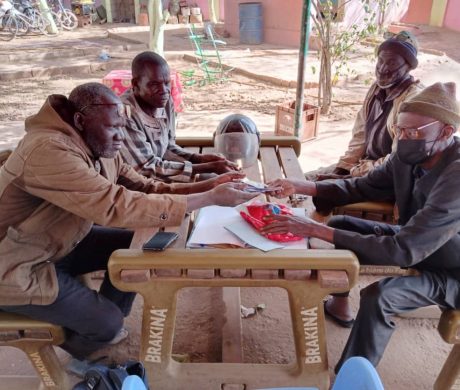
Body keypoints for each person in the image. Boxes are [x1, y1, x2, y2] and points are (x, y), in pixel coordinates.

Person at [0, 83, 257, 375]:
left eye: (123, 127)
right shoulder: (48, 150)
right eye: (114, 129)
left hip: (55, 244)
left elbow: (145, 186)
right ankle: (85, 351)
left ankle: (95, 319)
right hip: (16, 265)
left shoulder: (97, 140)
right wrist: (207, 199)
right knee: (107, 324)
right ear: (80, 121)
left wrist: (210, 185)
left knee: (139, 250)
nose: (120, 137)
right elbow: (115, 205)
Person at [263, 82, 460, 372]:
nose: (404, 139)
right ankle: (339, 304)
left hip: (453, 269)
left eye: (413, 133)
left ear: (446, 131)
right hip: (421, 242)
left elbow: (403, 251)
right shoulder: (410, 155)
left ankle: (349, 381)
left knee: (380, 297)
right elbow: (362, 186)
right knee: (341, 223)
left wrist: (313, 229)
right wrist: (301, 185)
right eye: (400, 131)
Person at [306, 30, 422, 181]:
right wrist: (342, 169)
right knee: (302, 179)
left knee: (309, 192)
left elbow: (396, 160)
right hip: (363, 167)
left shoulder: (412, 100)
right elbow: (360, 135)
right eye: (380, 61)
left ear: (408, 67)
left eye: (392, 63)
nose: (382, 69)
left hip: (384, 178)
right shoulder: (377, 89)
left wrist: (350, 176)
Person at [121, 51, 238, 183]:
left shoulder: (164, 101)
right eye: (154, 84)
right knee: (216, 185)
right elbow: (146, 168)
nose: (164, 90)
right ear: (135, 84)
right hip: (134, 186)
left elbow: (167, 148)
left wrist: (198, 159)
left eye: (167, 83)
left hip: (157, 178)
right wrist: (207, 167)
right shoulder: (125, 114)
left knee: (223, 182)